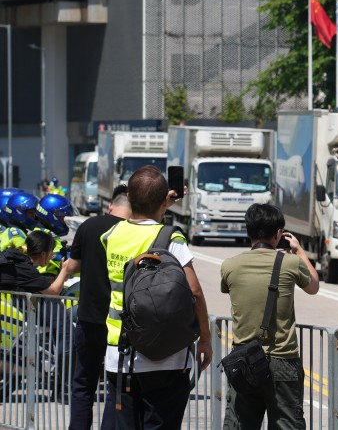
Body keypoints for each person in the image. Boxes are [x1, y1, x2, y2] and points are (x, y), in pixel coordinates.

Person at [100, 165, 212, 430]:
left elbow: (141, 225)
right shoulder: (171, 237)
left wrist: (160, 203)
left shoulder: (111, 236)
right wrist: (205, 338)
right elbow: (194, 290)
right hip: (167, 355)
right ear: (165, 200)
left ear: (128, 198)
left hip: (121, 353)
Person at [220, 203, 319, 430]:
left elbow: (227, 289)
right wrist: (299, 251)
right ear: (279, 234)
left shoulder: (229, 266)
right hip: (282, 360)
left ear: (248, 231)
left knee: (239, 424)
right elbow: (313, 286)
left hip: (244, 359)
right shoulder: (291, 263)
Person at [55, 183, 132, 430]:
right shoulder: (133, 231)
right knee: (114, 386)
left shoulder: (89, 226)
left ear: (111, 205)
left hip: (89, 318)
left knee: (83, 384)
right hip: (119, 323)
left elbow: (73, 266)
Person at [0, 230, 65, 295]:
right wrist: (65, 270)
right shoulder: (26, 269)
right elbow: (53, 292)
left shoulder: (15, 257)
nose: (52, 255)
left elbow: (43, 283)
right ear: (43, 254)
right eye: (51, 252)